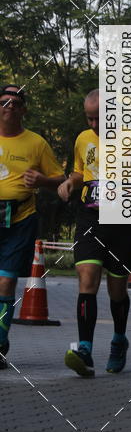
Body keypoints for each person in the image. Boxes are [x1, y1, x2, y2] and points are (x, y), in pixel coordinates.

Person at [58, 90, 131, 378]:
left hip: (122, 221)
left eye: (98, 119)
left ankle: (118, 340)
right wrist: (69, 183)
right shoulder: (83, 139)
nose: (93, 125)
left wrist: (125, 194)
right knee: (87, 279)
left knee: (117, 289)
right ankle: (85, 349)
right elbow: (81, 172)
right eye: (89, 118)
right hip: (90, 216)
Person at [0, 85, 64, 368]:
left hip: (20, 219)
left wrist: (42, 181)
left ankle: (0, 342)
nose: (9, 107)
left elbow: (60, 180)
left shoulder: (36, 143)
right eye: (4, 102)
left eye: (16, 103)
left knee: (6, 280)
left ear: (24, 110)